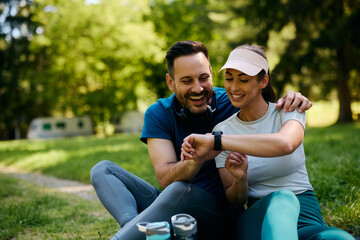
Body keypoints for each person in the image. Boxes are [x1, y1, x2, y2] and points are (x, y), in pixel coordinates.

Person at [90, 40, 313, 240]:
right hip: (175, 201)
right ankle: (132, 226)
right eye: (187, 81)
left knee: (179, 191)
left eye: (203, 78)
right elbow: (166, 178)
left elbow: (260, 99)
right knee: (103, 170)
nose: (198, 88)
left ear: (211, 74)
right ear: (171, 82)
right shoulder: (158, 113)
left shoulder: (233, 100)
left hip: (219, 211)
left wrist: (294, 96)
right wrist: (196, 160)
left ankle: (133, 235)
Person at [181, 44, 355, 240]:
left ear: (263, 81)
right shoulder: (223, 130)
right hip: (259, 219)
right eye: (229, 78)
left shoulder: (289, 112)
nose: (234, 87)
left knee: (341, 239)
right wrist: (240, 179)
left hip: (306, 216)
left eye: (244, 80)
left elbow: (285, 144)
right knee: (283, 197)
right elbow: (235, 201)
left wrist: (217, 142)